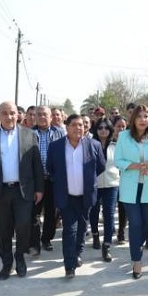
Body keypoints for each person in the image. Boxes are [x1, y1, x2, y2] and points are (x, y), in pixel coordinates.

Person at [0, 101, 44, 280]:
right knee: (3, 229)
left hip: (23, 191)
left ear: (18, 115)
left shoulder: (29, 134)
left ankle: (20, 257)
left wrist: (39, 188)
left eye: (12, 113)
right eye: (4, 113)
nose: (9, 116)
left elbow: (36, 164)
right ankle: (7, 263)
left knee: (23, 225)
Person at [46, 114, 105, 278]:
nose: (78, 128)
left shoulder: (94, 145)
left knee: (82, 228)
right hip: (66, 196)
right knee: (69, 230)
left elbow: (101, 166)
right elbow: (51, 168)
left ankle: (78, 252)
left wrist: (87, 180)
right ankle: (69, 265)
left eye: (81, 125)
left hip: (86, 196)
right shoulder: (56, 146)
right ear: (67, 127)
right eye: (74, 125)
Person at [115, 104, 148, 279]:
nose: (143, 120)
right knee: (135, 224)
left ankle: (138, 244)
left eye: (146, 116)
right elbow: (118, 160)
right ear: (133, 119)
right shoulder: (124, 136)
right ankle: (137, 260)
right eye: (139, 116)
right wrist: (134, 166)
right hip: (130, 188)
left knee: (146, 224)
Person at [30, 105, 65, 255]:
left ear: (51, 117)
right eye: (39, 114)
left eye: (45, 114)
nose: (42, 117)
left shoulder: (60, 133)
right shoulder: (28, 133)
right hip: (34, 180)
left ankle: (46, 239)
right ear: (34, 117)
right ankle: (34, 242)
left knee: (52, 213)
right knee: (33, 212)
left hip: (53, 180)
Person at [89, 118, 119, 262]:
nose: (103, 130)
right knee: (94, 212)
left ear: (110, 130)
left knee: (109, 214)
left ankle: (107, 245)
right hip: (94, 184)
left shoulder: (116, 145)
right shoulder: (90, 144)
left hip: (112, 183)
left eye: (106, 128)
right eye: (100, 127)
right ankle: (95, 234)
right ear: (96, 129)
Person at [112, 116, 129, 244]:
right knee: (110, 207)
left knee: (123, 207)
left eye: (123, 126)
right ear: (113, 127)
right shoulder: (109, 142)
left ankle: (121, 233)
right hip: (111, 179)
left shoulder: (130, 142)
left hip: (125, 178)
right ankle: (110, 227)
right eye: (118, 126)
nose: (121, 129)